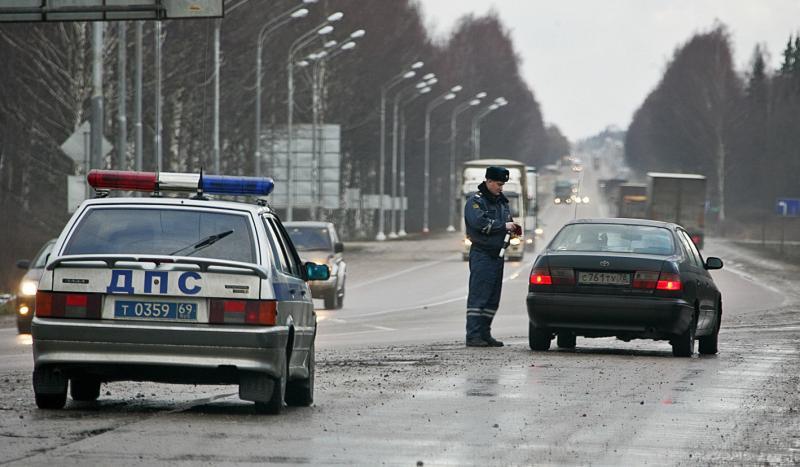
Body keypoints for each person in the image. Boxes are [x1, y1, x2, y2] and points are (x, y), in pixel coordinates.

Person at [463, 166, 520, 347]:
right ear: (488, 181)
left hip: (498, 255)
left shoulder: (502, 203)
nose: (500, 188)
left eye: (502, 184)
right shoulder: (475, 202)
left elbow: (510, 224)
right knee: (479, 296)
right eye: (498, 184)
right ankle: (473, 335)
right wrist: (504, 226)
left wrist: (514, 231)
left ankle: (485, 333)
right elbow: (479, 223)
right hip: (482, 253)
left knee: (492, 298)